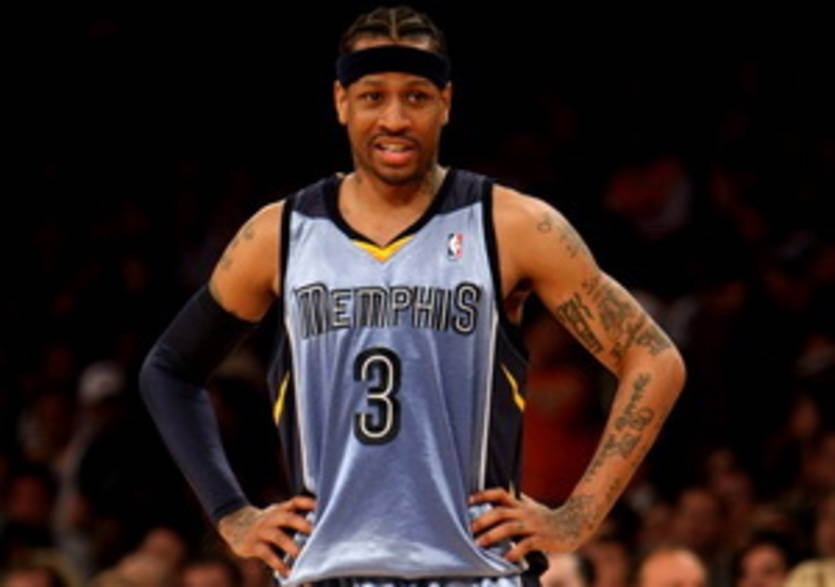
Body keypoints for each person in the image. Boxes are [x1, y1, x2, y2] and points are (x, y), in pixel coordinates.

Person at [139, 5, 686, 587]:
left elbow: (654, 358)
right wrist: (232, 514)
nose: (395, 118)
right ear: (341, 102)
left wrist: (578, 515)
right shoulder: (281, 234)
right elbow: (169, 369)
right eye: (373, 96)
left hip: (475, 572)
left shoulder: (512, 226)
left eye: (416, 97)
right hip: (327, 571)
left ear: (445, 103)